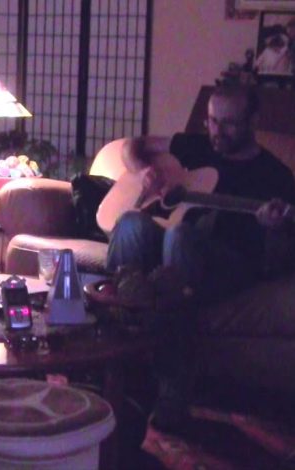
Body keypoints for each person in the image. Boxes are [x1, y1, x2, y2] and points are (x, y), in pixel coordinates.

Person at [106, 84, 295, 433]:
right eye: (211, 121)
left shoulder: (275, 176)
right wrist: (142, 171)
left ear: (253, 121)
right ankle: (114, 364)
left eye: (229, 123)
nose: (217, 132)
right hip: (171, 253)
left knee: (180, 237)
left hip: (227, 264)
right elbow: (134, 145)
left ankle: (172, 391)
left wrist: (276, 228)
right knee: (132, 223)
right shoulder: (197, 146)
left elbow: (280, 259)